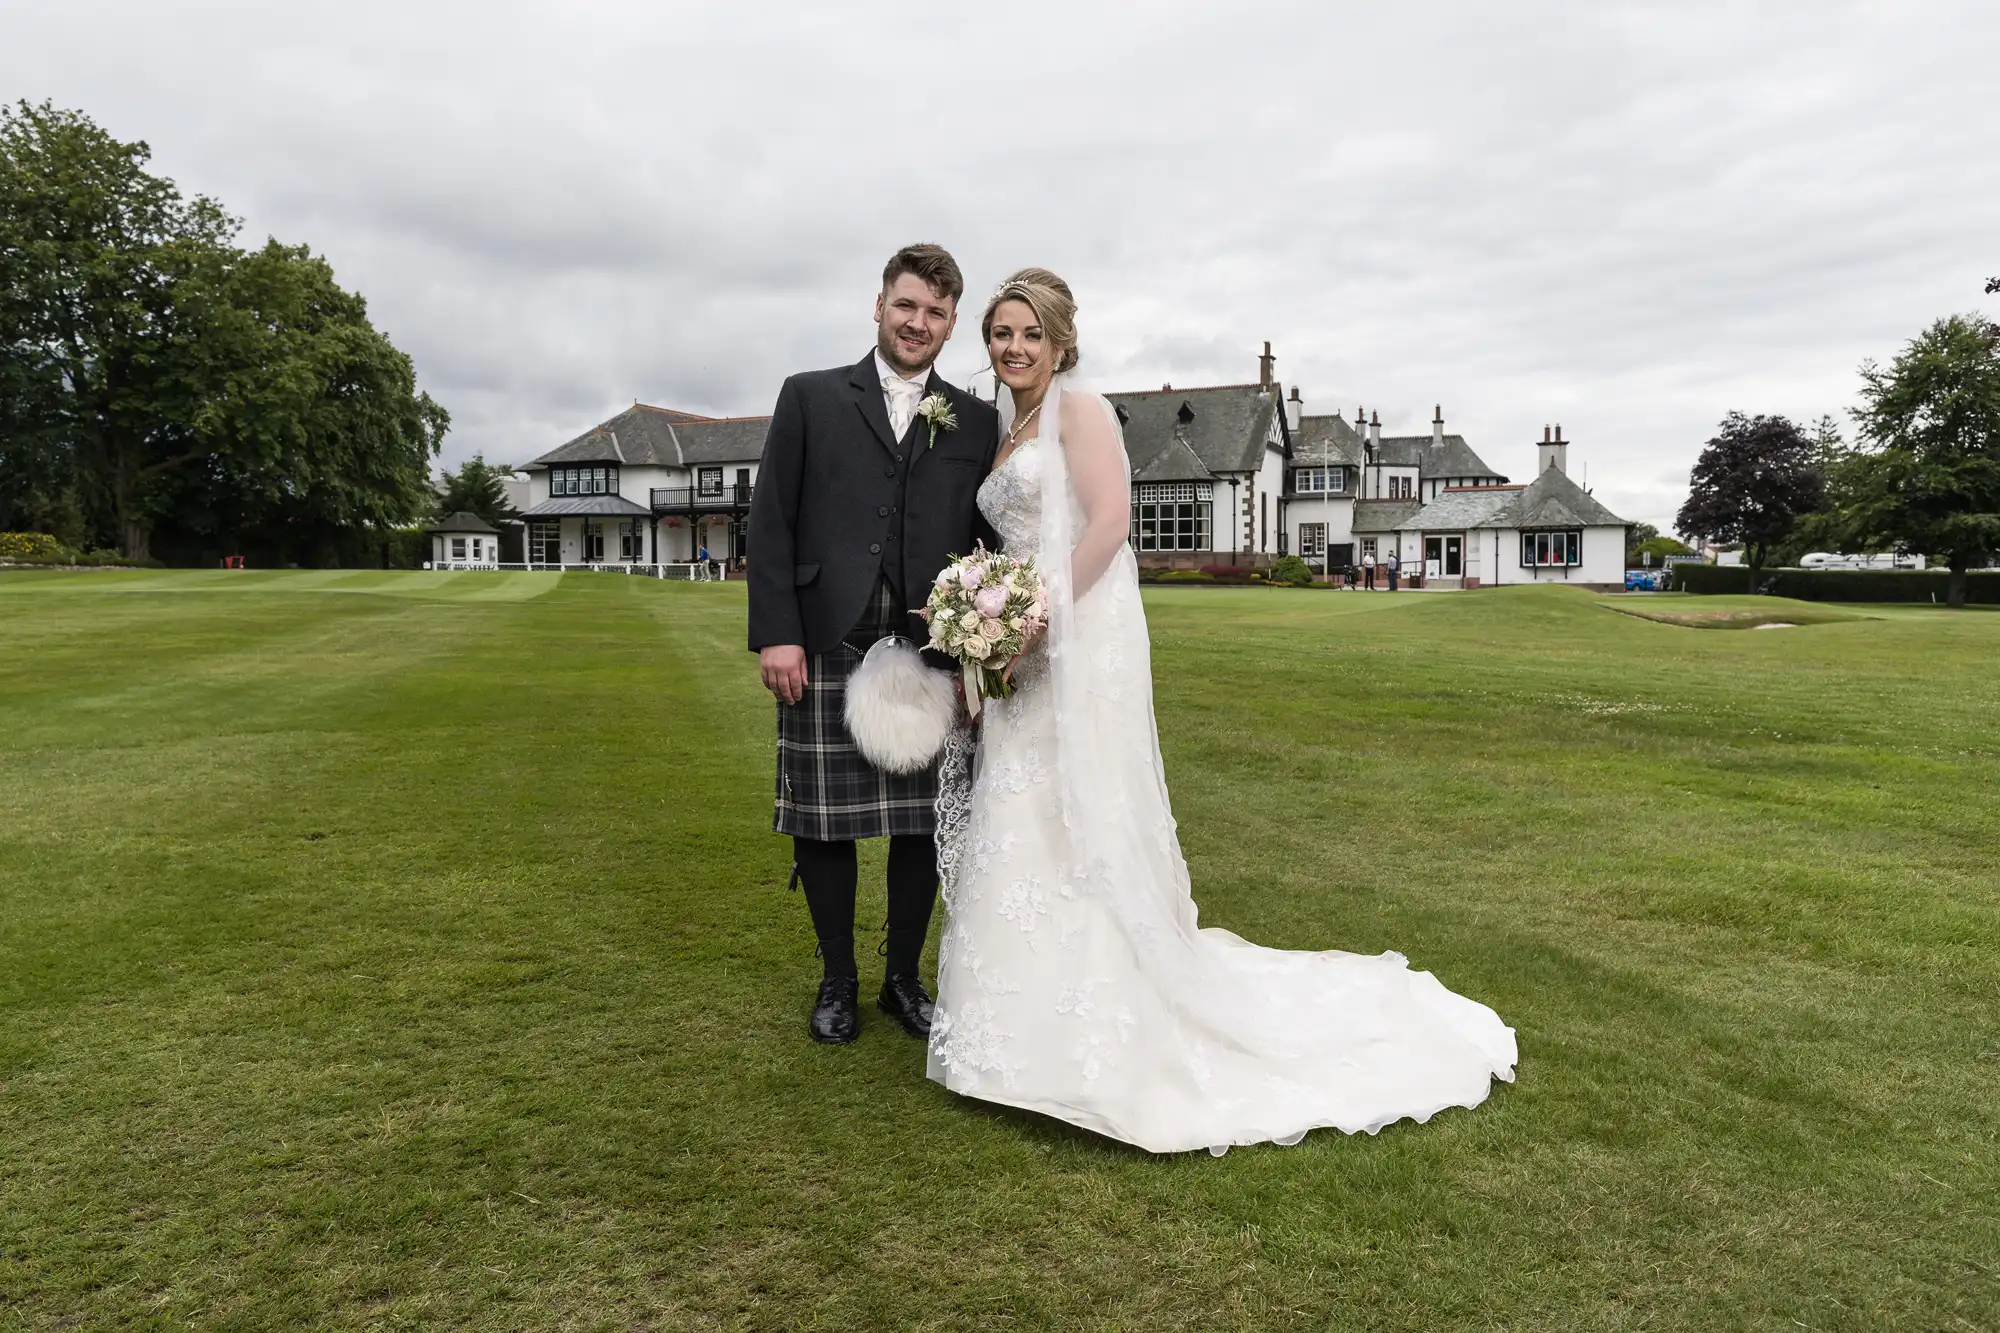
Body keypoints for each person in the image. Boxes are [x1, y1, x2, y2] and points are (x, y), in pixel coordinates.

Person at [926, 268, 1516, 1154]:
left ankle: (1102, 1024)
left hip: (1079, 634)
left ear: (1060, 341)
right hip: (1020, 641)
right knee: (1025, 806)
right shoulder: (1003, 428)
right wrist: (987, 621)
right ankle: (1009, 1029)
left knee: (1084, 803)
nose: (1014, 349)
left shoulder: (1080, 412)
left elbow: (1113, 524)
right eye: (1001, 334)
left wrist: (1035, 617)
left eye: (1030, 335)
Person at [747, 243, 1001, 1046]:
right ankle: (838, 981)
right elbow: (773, 520)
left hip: (929, 652)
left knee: (921, 823)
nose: (917, 323)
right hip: (827, 638)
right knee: (823, 823)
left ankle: (901, 979)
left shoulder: (976, 417)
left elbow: (987, 538)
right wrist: (779, 634)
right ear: (879, 306)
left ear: (952, 322)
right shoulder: (812, 397)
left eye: (934, 312)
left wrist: (978, 655)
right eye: (906, 306)